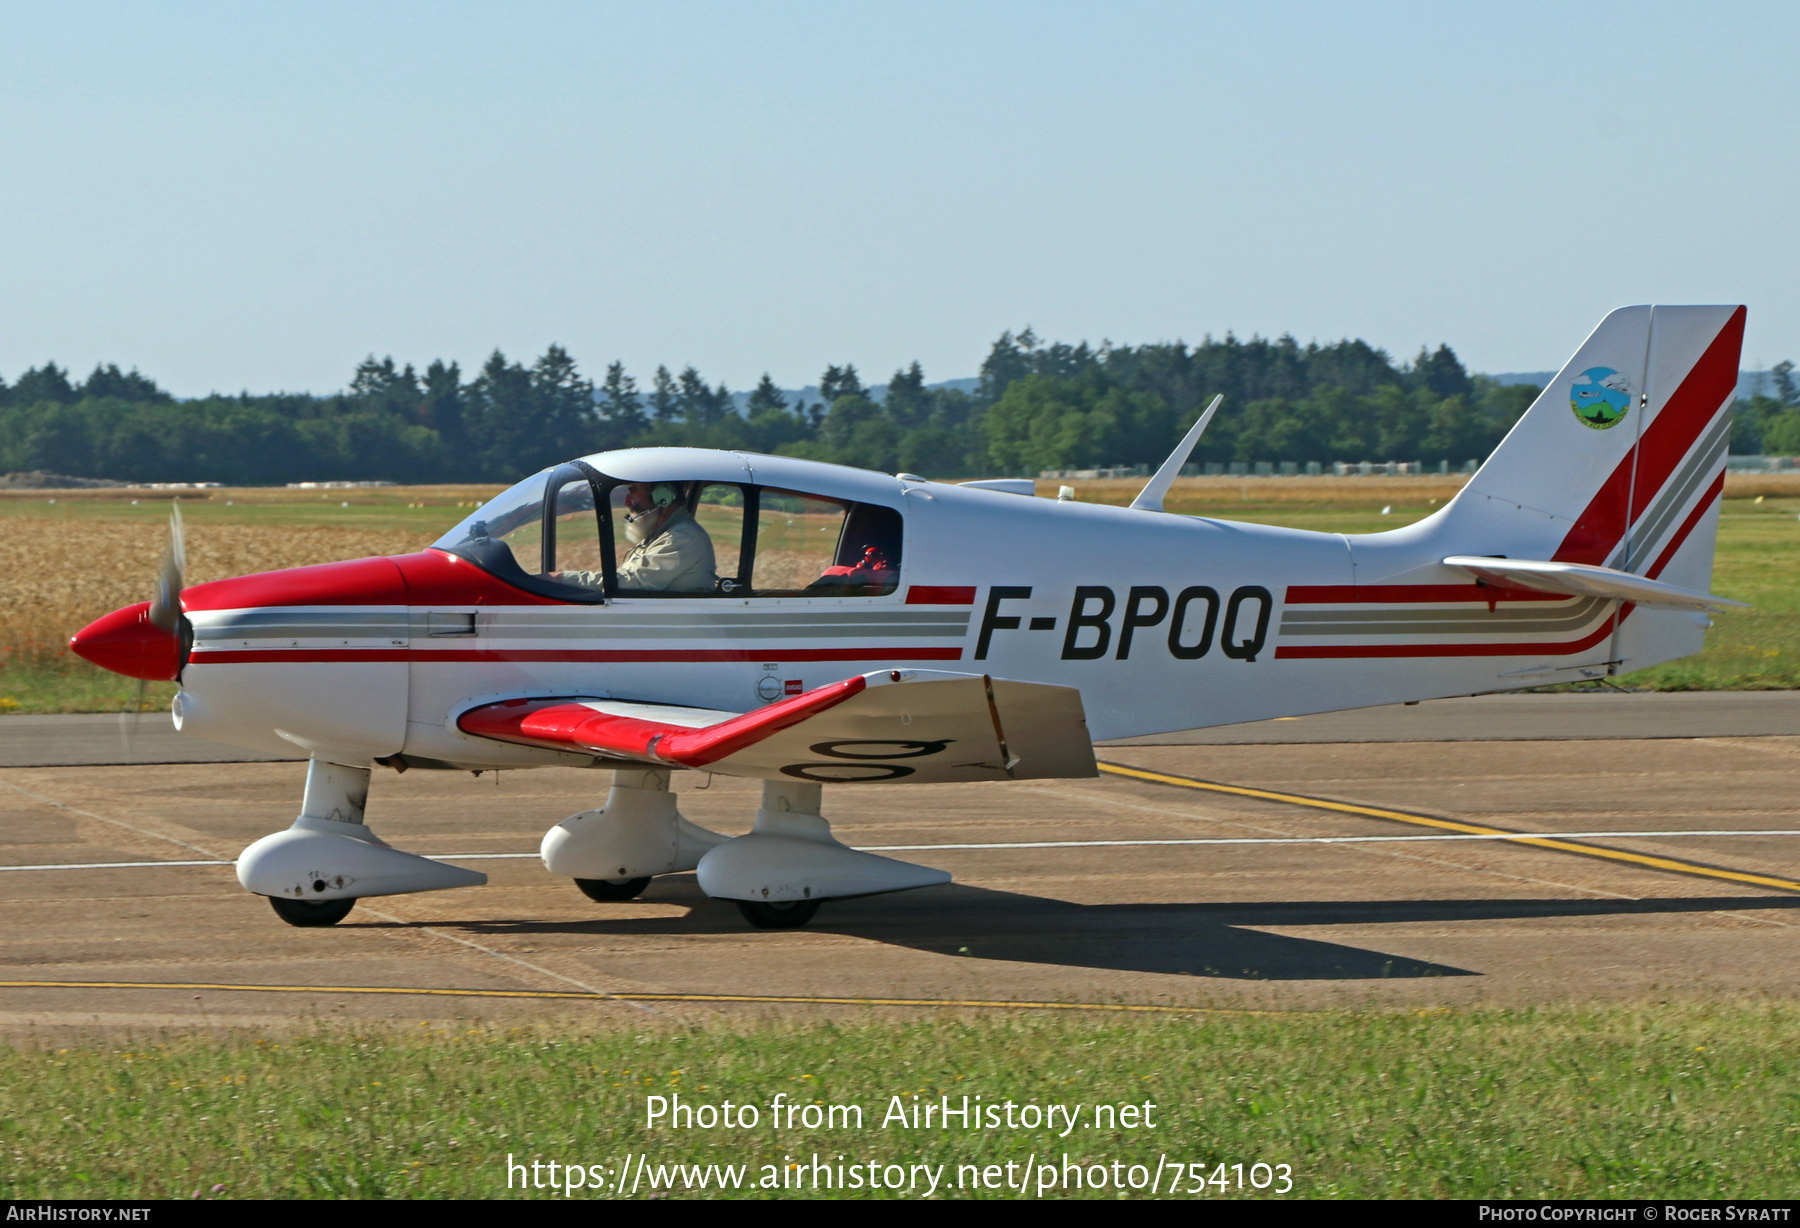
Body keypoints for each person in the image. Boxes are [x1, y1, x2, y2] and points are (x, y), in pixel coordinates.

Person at [556, 482, 717, 593]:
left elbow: (632, 583)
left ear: (663, 497)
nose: (627, 502)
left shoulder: (683, 537)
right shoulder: (658, 536)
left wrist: (562, 579)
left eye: (633, 491)